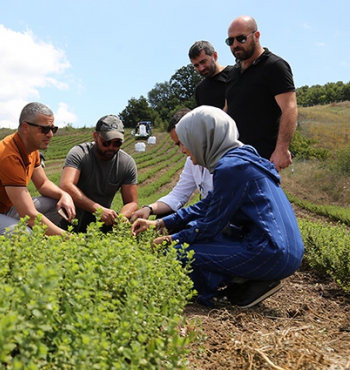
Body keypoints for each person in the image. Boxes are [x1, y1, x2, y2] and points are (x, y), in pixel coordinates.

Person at [130, 106, 304, 308]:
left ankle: (223, 293)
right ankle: (247, 281)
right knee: (200, 236)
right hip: (283, 250)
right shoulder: (243, 158)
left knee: (178, 252)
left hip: (269, 251)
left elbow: (210, 224)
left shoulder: (230, 168)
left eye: (185, 142)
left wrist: (171, 239)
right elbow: (207, 205)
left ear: (202, 138)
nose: (183, 150)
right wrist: (160, 223)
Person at [0, 102, 75, 237]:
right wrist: (69, 238)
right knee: (24, 235)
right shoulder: (9, 156)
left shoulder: (31, 149)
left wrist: (64, 195)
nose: (51, 134)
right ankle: (34, 245)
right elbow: (29, 216)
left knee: (57, 203)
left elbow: (42, 184)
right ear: (25, 127)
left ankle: (39, 244)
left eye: (53, 129)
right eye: (45, 129)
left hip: (3, 210)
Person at [224, 15, 298, 171]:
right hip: (232, 157)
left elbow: (289, 108)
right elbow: (227, 110)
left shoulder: (274, 66)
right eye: (230, 41)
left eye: (241, 39)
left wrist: (282, 149)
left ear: (256, 36)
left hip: (261, 160)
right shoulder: (232, 73)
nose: (235, 44)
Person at [129, 109, 213, 222]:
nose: (182, 150)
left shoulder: (225, 163)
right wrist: (149, 209)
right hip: (209, 216)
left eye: (184, 142)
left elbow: (213, 208)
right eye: (178, 144)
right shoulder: (191, 162)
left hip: (224, 222)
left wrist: (163, 225)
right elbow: (179, 195)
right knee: (165, 215)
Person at [59, 115, 138, 233]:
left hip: (101, 220)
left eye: (117, 143)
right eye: (106, 142)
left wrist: (120, 218)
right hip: (73, 213)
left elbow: (132, 202)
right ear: (95, 136)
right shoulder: (80, 153)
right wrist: (98, 210)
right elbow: (66, 185)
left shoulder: (126, 163)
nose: (111, 147)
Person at [188, 40, 233, 108]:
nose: (201, 68)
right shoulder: (200, 90)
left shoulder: (234, 74)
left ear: (215, 56)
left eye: (203, 62)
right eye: (196, 65)